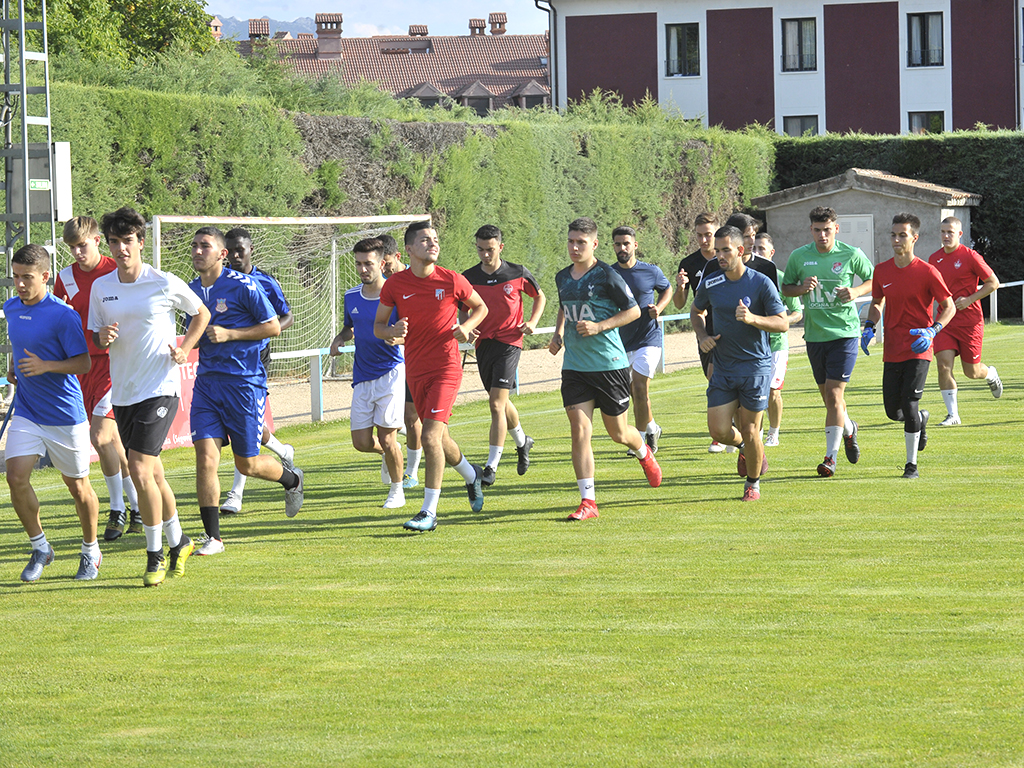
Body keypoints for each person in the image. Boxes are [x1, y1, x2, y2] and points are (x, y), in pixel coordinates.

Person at [88, 207, 211, 587]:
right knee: (153, 473)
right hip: (122, 392)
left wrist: (186, 346)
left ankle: (154, 554)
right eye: (114, 241)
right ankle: (181, 541)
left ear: (140, 243)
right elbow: (94, 334)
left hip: (160, 388)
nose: (122, 248)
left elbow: (201, 313)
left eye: (128, 241)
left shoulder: (163, 281)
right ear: (107, 244)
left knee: (139, 469)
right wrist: (102, 337)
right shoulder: (101, 287)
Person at [187, 227, 305, 557]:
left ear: (221, 254)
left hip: (243, 383)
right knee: (205, 459)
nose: (197, 251)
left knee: (248, 465)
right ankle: (214, 538)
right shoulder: (191, 291)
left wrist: (231, 334)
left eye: (204, 246)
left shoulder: (244, 286)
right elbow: (191, 332)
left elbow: (272, 326)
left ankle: (292, 480)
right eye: (194, 245)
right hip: (207, 384)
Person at [374, 221, 489, 532]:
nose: (433, 244)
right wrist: (392, 331)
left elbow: (480, 308)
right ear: (409, 249)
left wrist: (465, 327)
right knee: (442, 438)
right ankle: (471, 475)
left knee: (428, 436)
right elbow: (378, 327)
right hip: (416, 369)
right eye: (425, 240)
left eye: (435, 239)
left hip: (446, 368)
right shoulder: (395, 285)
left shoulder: (452, 280)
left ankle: (429, 512)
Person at [549, 217, 662, 521]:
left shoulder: (607, 275)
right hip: (574, 366)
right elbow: (564, 304)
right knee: (580, 431)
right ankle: (588, 502)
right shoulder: (562, 276)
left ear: (594, 244)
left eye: (581, 242)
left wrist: (599, 326)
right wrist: (559, 332)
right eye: (571, 241)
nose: (574, 247)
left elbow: (634, 310)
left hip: (609, 365)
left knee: (618, 433)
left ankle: (644, 452)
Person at [5, 244, 103, 581]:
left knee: (78, 488)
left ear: (45, 276)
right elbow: (20, 347)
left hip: (65, 415)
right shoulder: (11, 308)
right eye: (15, 277)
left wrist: (46, 366)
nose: (19, 284)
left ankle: (91, 551)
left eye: (27, 278)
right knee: (15, 476)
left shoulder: (63, 314)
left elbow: (83, 362)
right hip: (28, 411)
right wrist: (14, 369)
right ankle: (40, 547)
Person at [55, 217, 141, 540]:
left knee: (101, 438)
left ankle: (116, 509)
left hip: (114, 365)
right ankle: (138, 508)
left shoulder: (114, 272)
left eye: (82, 244)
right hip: (81, 368)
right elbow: (59, 317)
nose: (77, 252)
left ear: (96, 240)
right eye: (72, 247)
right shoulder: (64, 279)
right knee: (117, 448)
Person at [691, 226, 788, 501]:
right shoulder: (711, 282)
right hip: (722, 366)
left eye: (725, 250)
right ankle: (748, 447)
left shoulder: (760, 283)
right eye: (717, 250)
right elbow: (696, 311)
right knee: (719, 430)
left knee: (751, 428)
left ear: (740, 251)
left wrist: (753, 319)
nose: (719, 255)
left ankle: (753, 484)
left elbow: (781, 323)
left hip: (755, 368)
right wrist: (702, 335)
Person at [781, 206, 873, 478]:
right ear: (811, 230)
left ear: (836, 229)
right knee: (829, 400)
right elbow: (787, 288)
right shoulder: (800, 256)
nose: (822, 235)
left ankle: (829, 459)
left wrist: (855, 291)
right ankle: (849, 429)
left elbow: (873, 278)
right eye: (817, 230)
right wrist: (801, 289)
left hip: (844, 334)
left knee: (834, 395)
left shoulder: (851, 253)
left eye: (827, 230)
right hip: (815, 336)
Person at [862, 213, 955, 480]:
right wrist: (870, 326)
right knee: (894, 411)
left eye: (902, 235)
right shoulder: (881, 270)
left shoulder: (928, 272)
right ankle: (921, 421)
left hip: (919, 347)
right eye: (893, 234)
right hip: (892, 349)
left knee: (910, 403)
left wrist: (933, 330)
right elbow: (877, 302)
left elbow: (948, 307)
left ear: (914, 238)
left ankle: (911, 466)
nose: (896, 240)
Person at [217, 228, 297, 515]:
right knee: (250, 427)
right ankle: (284, 452)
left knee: (244, 430)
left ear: (250, 249)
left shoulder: (264, 281)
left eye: (240, 250)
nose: (236, 255)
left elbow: (286, 316)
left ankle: (235, 494)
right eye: (230, 250)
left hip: (255, 359)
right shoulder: (219, 281)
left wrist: (265, 333)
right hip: (223, 362)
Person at [461, 224, 545, 485]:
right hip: (483, 344)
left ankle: (491, 466)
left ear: (500, 247)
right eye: (480, 249)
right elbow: (463, 308)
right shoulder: (468, 277)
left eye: (490, 249)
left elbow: (539, 296)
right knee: (502, 402)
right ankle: (523, 442)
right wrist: (468, 327)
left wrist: (532, 322)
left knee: (496, 404)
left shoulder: (517, 272)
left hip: (510, 342)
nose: (485, 254)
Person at [330, 238, 406, 509]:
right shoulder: (351, 296)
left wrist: (398, 339)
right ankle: (389, 455)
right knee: (361, 443)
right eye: (359, 264)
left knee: (387, 437)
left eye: (368, 263)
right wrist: (340, 339)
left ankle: (397, 491)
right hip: (362, 376)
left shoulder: (397, 295)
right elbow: (350, 326)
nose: (363, 269)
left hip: (391, 373)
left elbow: (411, 332)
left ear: (382, 263)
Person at [927, 217, 1003, 425]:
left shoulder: (971, 256)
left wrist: (970, 299)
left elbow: (993, 282)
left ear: (960, 234)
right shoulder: (934, 259)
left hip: (970, 322)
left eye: (950, 232)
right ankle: (953, 415)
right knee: (943, 366)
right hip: (944, 321)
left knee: (972, 371)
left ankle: (990, 374)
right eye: (942, 232)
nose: (945, 236)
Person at [609, 225, 673, 453]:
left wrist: (660, 307)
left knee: (639, 387)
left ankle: (642, 439)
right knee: (628, 392)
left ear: (635, 245)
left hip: (649, 338)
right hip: (620, 342)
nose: (622, 248)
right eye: (618, 244)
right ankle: (653, 427)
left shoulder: (651, 271)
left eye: (626, 243)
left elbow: (667, 289)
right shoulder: (608, 273)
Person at [672, 213, 725, 452]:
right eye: (700, 235)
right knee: (712, 378)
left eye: (709, 235)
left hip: (728, 327)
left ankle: (720, 434)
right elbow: (680, 304)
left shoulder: (727, 258)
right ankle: (730, 426)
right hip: (704, 329)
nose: (704, 240)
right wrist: (680, 287)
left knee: (716, 381)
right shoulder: (689, 263)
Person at [751, 233, 804, 446]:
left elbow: (797, 311)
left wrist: (781, 323)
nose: (756, 253)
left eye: (761, 249)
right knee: (754, 392)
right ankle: (756, 433)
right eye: (754, 248)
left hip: (776, 345)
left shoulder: (782, 279)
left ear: (771, 253)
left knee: (773, 391)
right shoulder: (747, 277)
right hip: (754, 345)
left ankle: (774, 432)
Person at [380, 233, 423, 489]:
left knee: (412, 416)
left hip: (414, 359)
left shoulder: (414, 280)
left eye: (385, 263)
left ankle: (412, 471)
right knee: (392, 420)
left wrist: (402, 340)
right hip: (385, 366)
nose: (382, 268)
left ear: (398, 256)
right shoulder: (381, 285)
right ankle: (394, 454)